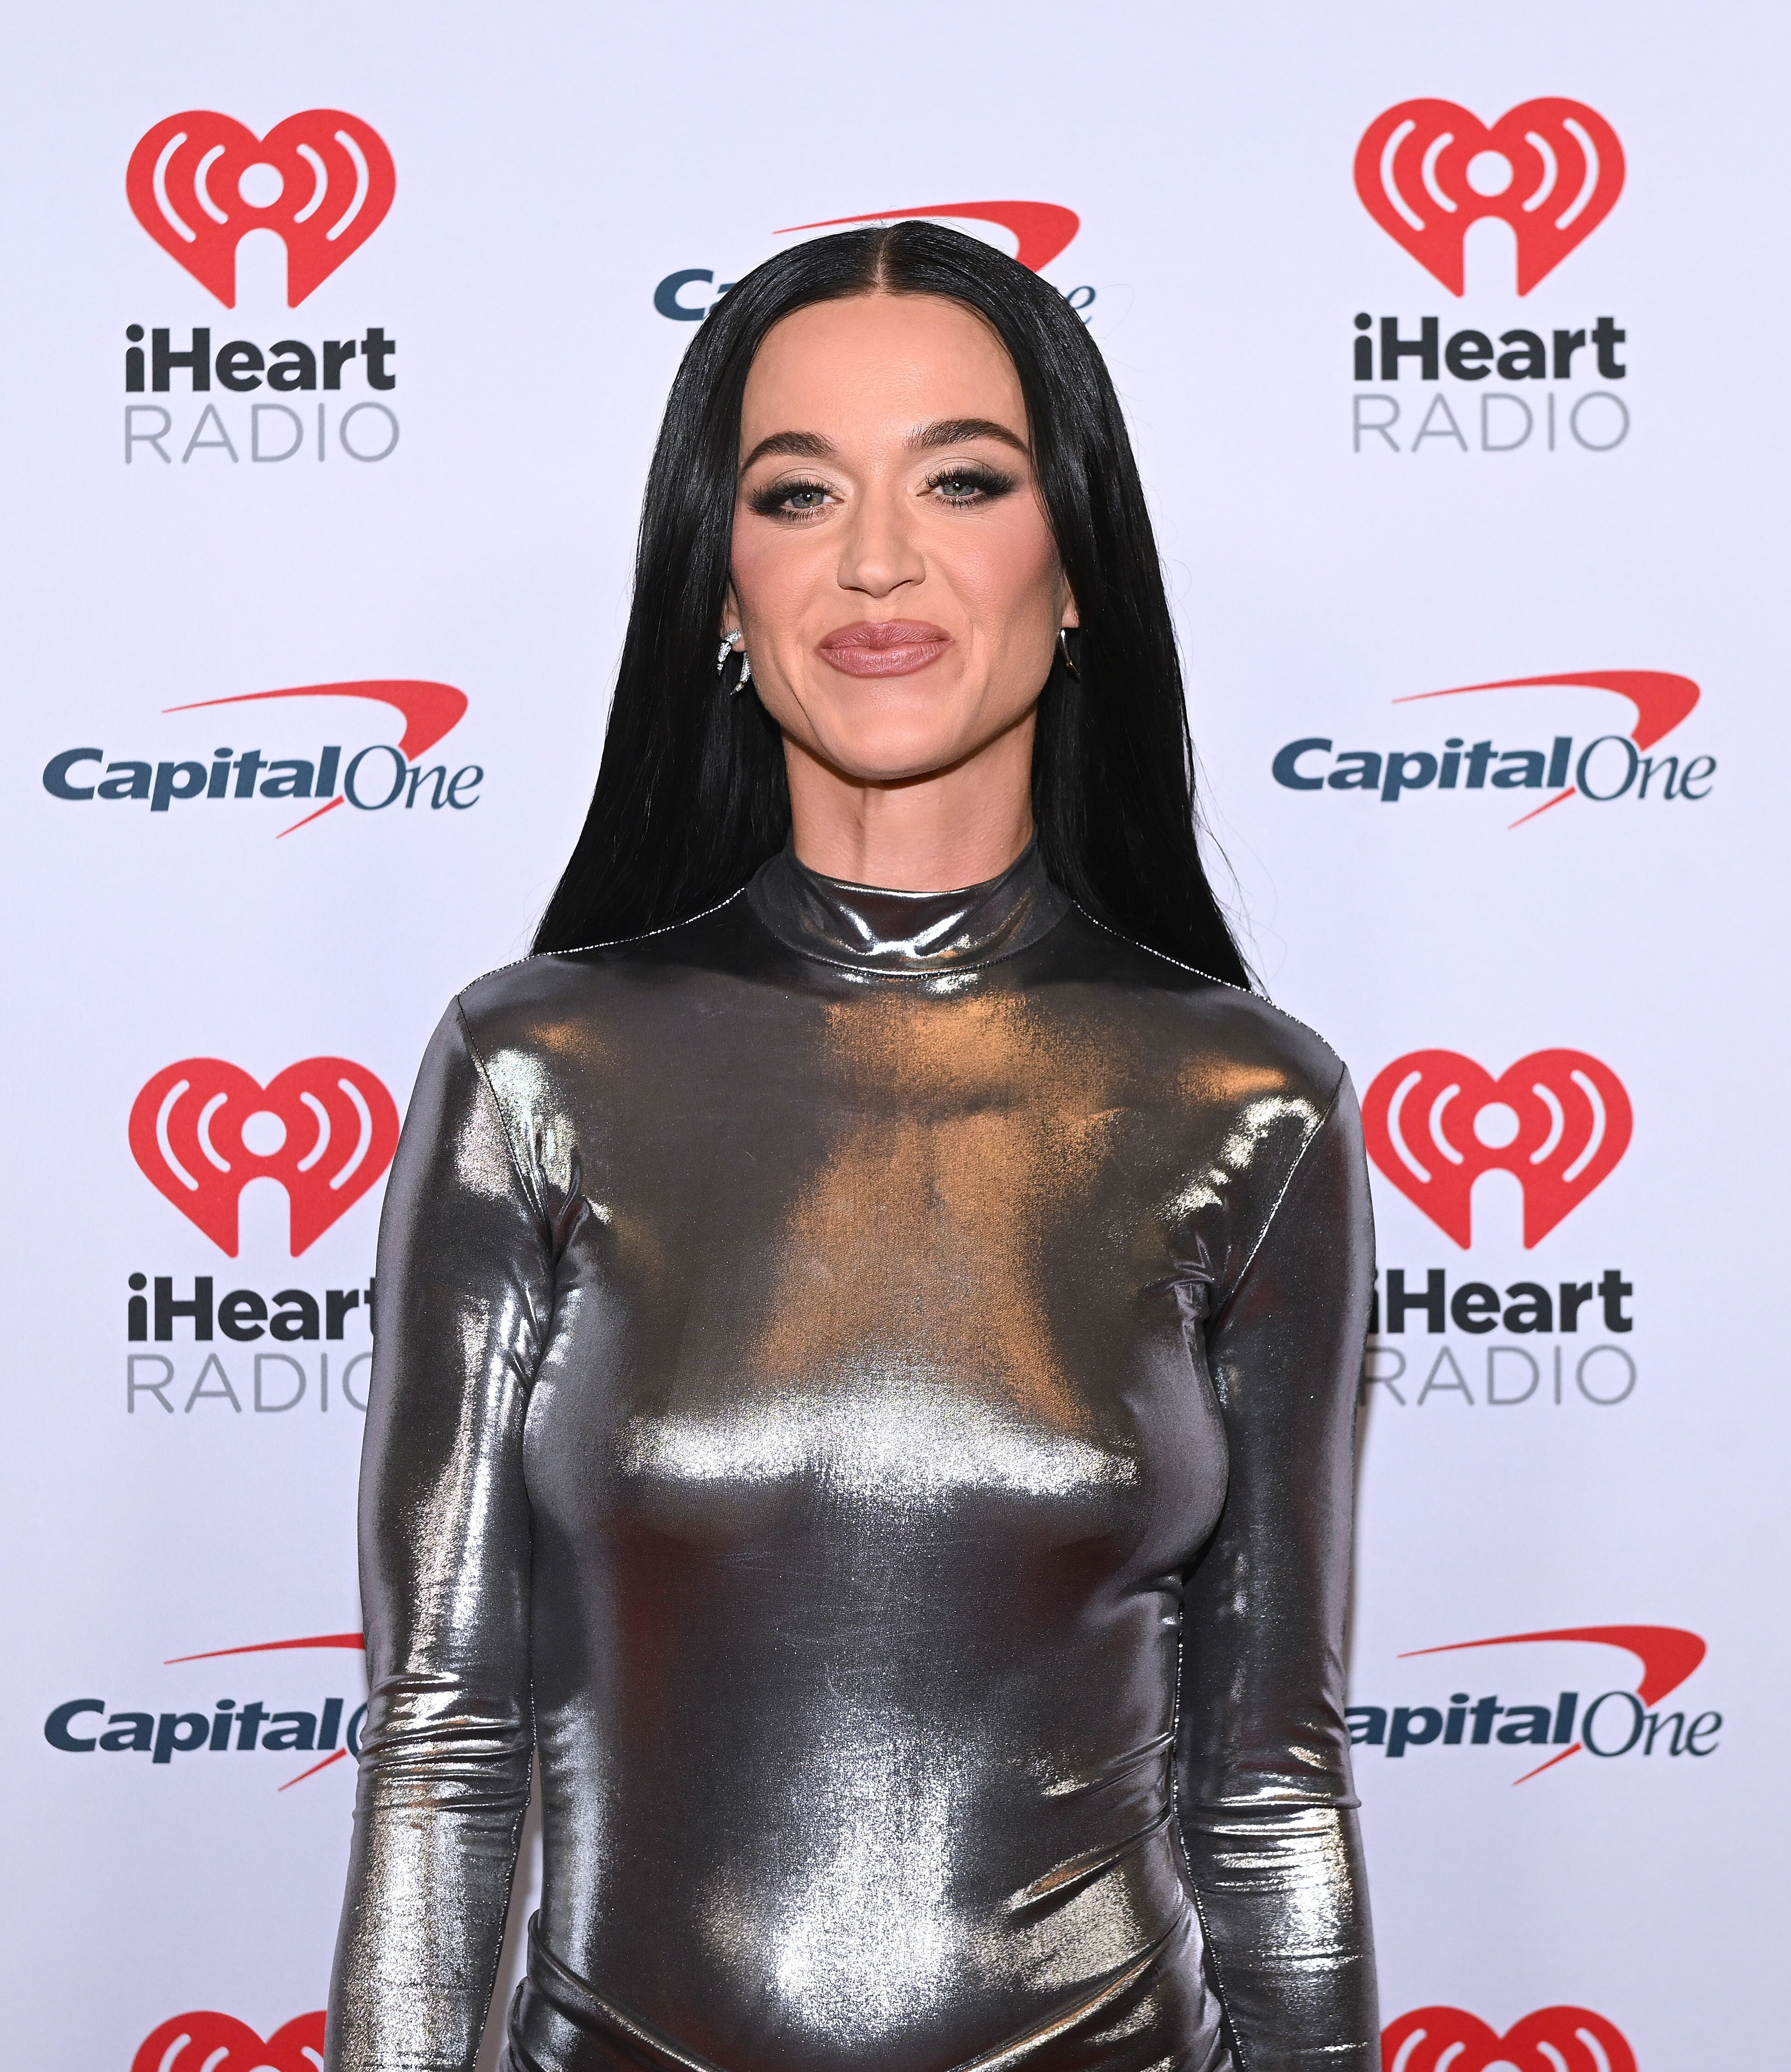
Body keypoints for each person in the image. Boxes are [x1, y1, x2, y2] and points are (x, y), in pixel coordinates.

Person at [326, 222, 1376, 2072]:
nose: (876, 558)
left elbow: (1269, 1776)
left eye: (961, 480)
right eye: (796, 493)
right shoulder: (537, 1070)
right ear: (722, 595)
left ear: (1075, 571)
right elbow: (442, 1739)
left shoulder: (1251, 1105)